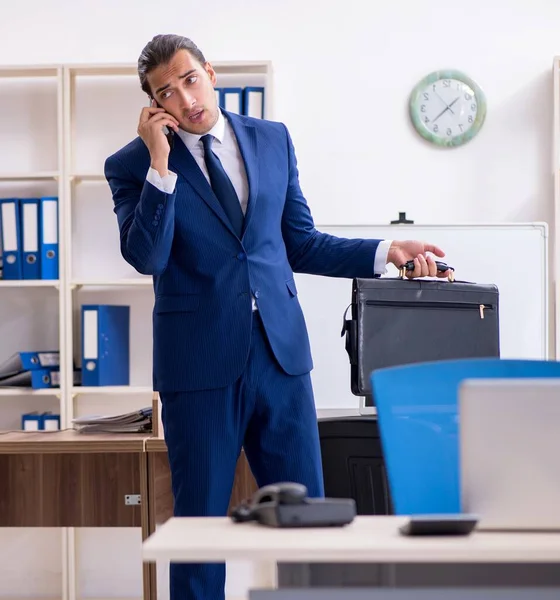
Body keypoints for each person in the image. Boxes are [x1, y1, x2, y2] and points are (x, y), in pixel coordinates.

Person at [104, 33, 450, 600]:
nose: (185, 98)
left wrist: (386, 252)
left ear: (210, 73)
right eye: (166, 92)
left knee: (308, 523)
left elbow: (301, 243)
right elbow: (148, 256)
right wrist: (160, 165)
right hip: (199, 368)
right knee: (199, 532)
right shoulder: (131, 165)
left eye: (190, 79)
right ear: (153, 105)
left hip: (282, 360)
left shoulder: (271, 139)